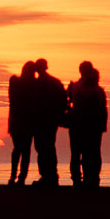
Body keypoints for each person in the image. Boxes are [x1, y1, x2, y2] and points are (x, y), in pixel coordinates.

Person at [67, 62, 108, 187]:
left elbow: (67, 102)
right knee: (93, 153)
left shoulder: (75, 87)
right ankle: (92, 178)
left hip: (77, 124)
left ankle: (77, 179)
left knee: (76, 153)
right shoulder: (98, 90)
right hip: (93, 126)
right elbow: (103, 109)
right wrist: (102, 126)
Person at [32, 58, 67, 187]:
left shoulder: (36, 84)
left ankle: (48, 176)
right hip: (50, 120)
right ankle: (50, 175)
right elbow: (63, 101)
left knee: (43, 148)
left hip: (42, 120)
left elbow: (33, 103)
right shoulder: (55, 82)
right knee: (48, 147)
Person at [7, 61, 37, 186]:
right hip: (27, 121)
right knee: (25, 150)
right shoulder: (34, 85)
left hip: (16, 121)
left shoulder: (15, 82)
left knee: (17, 149)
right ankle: (21, 177)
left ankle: (14, 176)